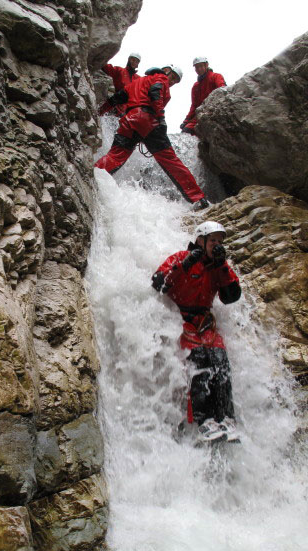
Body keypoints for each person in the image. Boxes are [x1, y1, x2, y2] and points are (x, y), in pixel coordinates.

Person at [151, 221, 241, 443]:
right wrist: (185, 264)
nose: (217, 245)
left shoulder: (218, 266)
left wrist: (222, 266)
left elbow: (231, 296)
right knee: (199, 365)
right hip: (183, 321)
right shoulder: (181, 257)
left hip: (206, 323)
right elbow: (158, 284)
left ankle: (226, 419)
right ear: (200, 241)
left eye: (220, 242)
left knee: (221, 366)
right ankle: (205, 421)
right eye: (213, 241)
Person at [95, 65, 209, 209]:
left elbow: (115, 99)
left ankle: (94, 174)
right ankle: (198, 198)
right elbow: (155, 92)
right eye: (173, 77)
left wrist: (99, 112)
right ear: (166, 71)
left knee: (116, 155)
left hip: (129, 120)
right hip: (148, 120)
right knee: (170, 161)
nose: (172, 82)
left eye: (175, 81)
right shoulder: (160, 78)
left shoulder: (137, 83)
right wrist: (160, 118)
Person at [180, 56, 226, 135]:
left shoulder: (216, 77)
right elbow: (194, 105)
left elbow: (222, 90)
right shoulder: (196, 86)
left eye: (201, 66)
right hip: (199, 115)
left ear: (206, 65)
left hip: (214, 112)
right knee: (186, 130)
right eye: (197, 67)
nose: (199, 69)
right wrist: (186, 120)